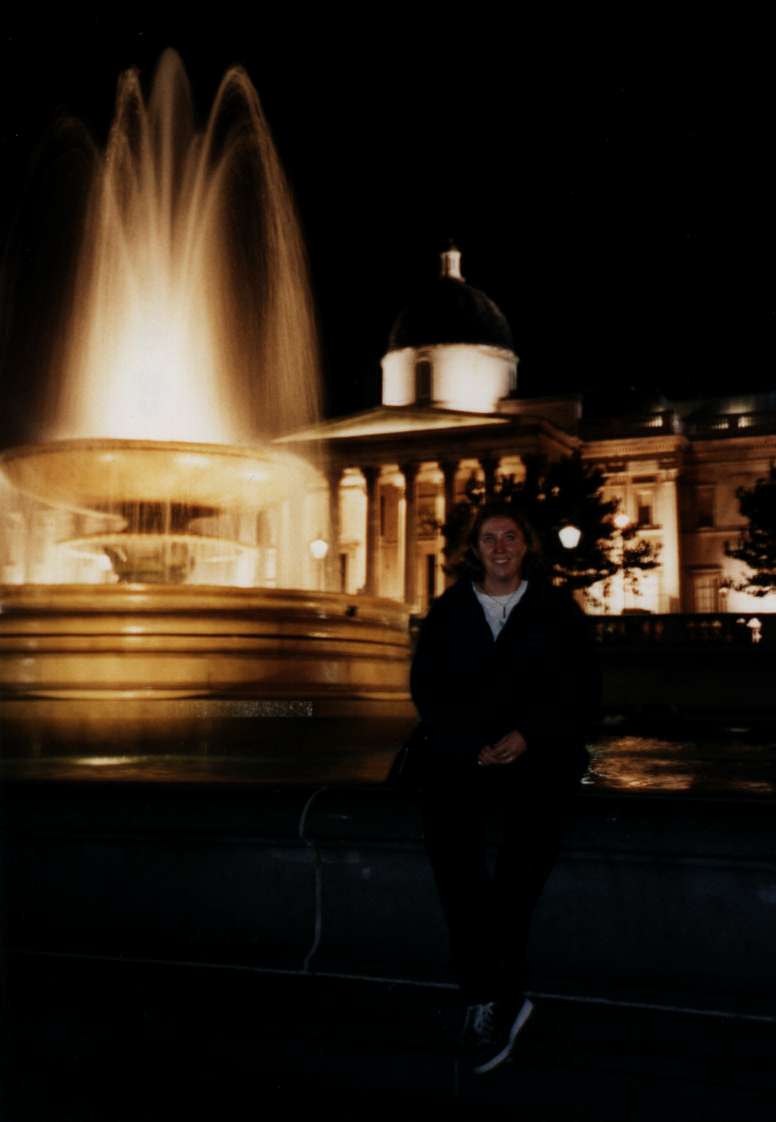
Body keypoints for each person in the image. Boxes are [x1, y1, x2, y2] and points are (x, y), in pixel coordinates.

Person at [410, 500, 599, 1074]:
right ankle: (490, 1000)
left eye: (510, 537)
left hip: (538, 760)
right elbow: (427, 689)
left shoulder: (556, 610)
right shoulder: (449, 610)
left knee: (516, 879)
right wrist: (469, 743)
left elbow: (581, 689)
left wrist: (529, 735)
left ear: (525, 546)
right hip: (462, 759)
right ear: (474, 549)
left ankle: (493, 1000)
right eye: (489, 538)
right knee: (457, 873)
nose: (499, 547)